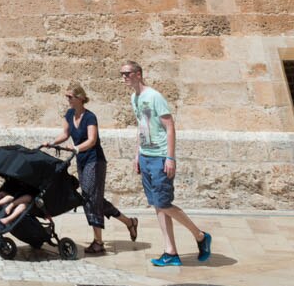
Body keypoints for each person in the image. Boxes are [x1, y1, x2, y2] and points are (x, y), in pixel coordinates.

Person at [119, 60, 210, 267]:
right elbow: (141, 126)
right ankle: (171, 252)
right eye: (122, 74)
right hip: (145, 156)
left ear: (139, 74)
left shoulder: (154, 96)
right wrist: (137, 155)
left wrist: (170, 157)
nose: (124, 77)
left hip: (160, 156)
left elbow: (169, 126)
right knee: (157, 205)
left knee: (163, 203)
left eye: (127, 73)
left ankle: (200, 236)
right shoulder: (134, 98)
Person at [45, 84, 137, 255]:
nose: (68, 99)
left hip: (94, 160)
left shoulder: (90, 117)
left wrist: (77, 148)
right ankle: (128, 222)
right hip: (81, 160)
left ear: (80, 98)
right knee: (93, 198)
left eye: (70, 96)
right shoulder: (69, 114)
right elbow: (65, 134)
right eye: (67, 96)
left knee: (90, 198)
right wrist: (52, 143)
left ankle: (98, 242)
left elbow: (92, 140)